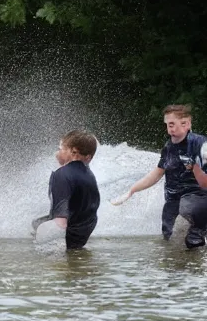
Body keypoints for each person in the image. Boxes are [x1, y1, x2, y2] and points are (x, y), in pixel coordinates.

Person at [113, 104, 207, 248]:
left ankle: (198, 246)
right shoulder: (168, 147)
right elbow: (156, 174)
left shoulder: (198, 142)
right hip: (173, 197)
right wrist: (132, 190)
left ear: (186, 124)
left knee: (192, 235)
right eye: (168, 125)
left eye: (172, 124)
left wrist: (197, 164)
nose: (170, 129)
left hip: (196, 196)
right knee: (168, 235)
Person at [33, 130, 100, 250]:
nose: (56, 153)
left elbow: (61, 222)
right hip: (82, 235)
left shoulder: (61, 175)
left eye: (60, 148)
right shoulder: (89, 175)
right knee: (35, 224)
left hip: (68, 237)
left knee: (40, 228)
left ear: (73, 151)